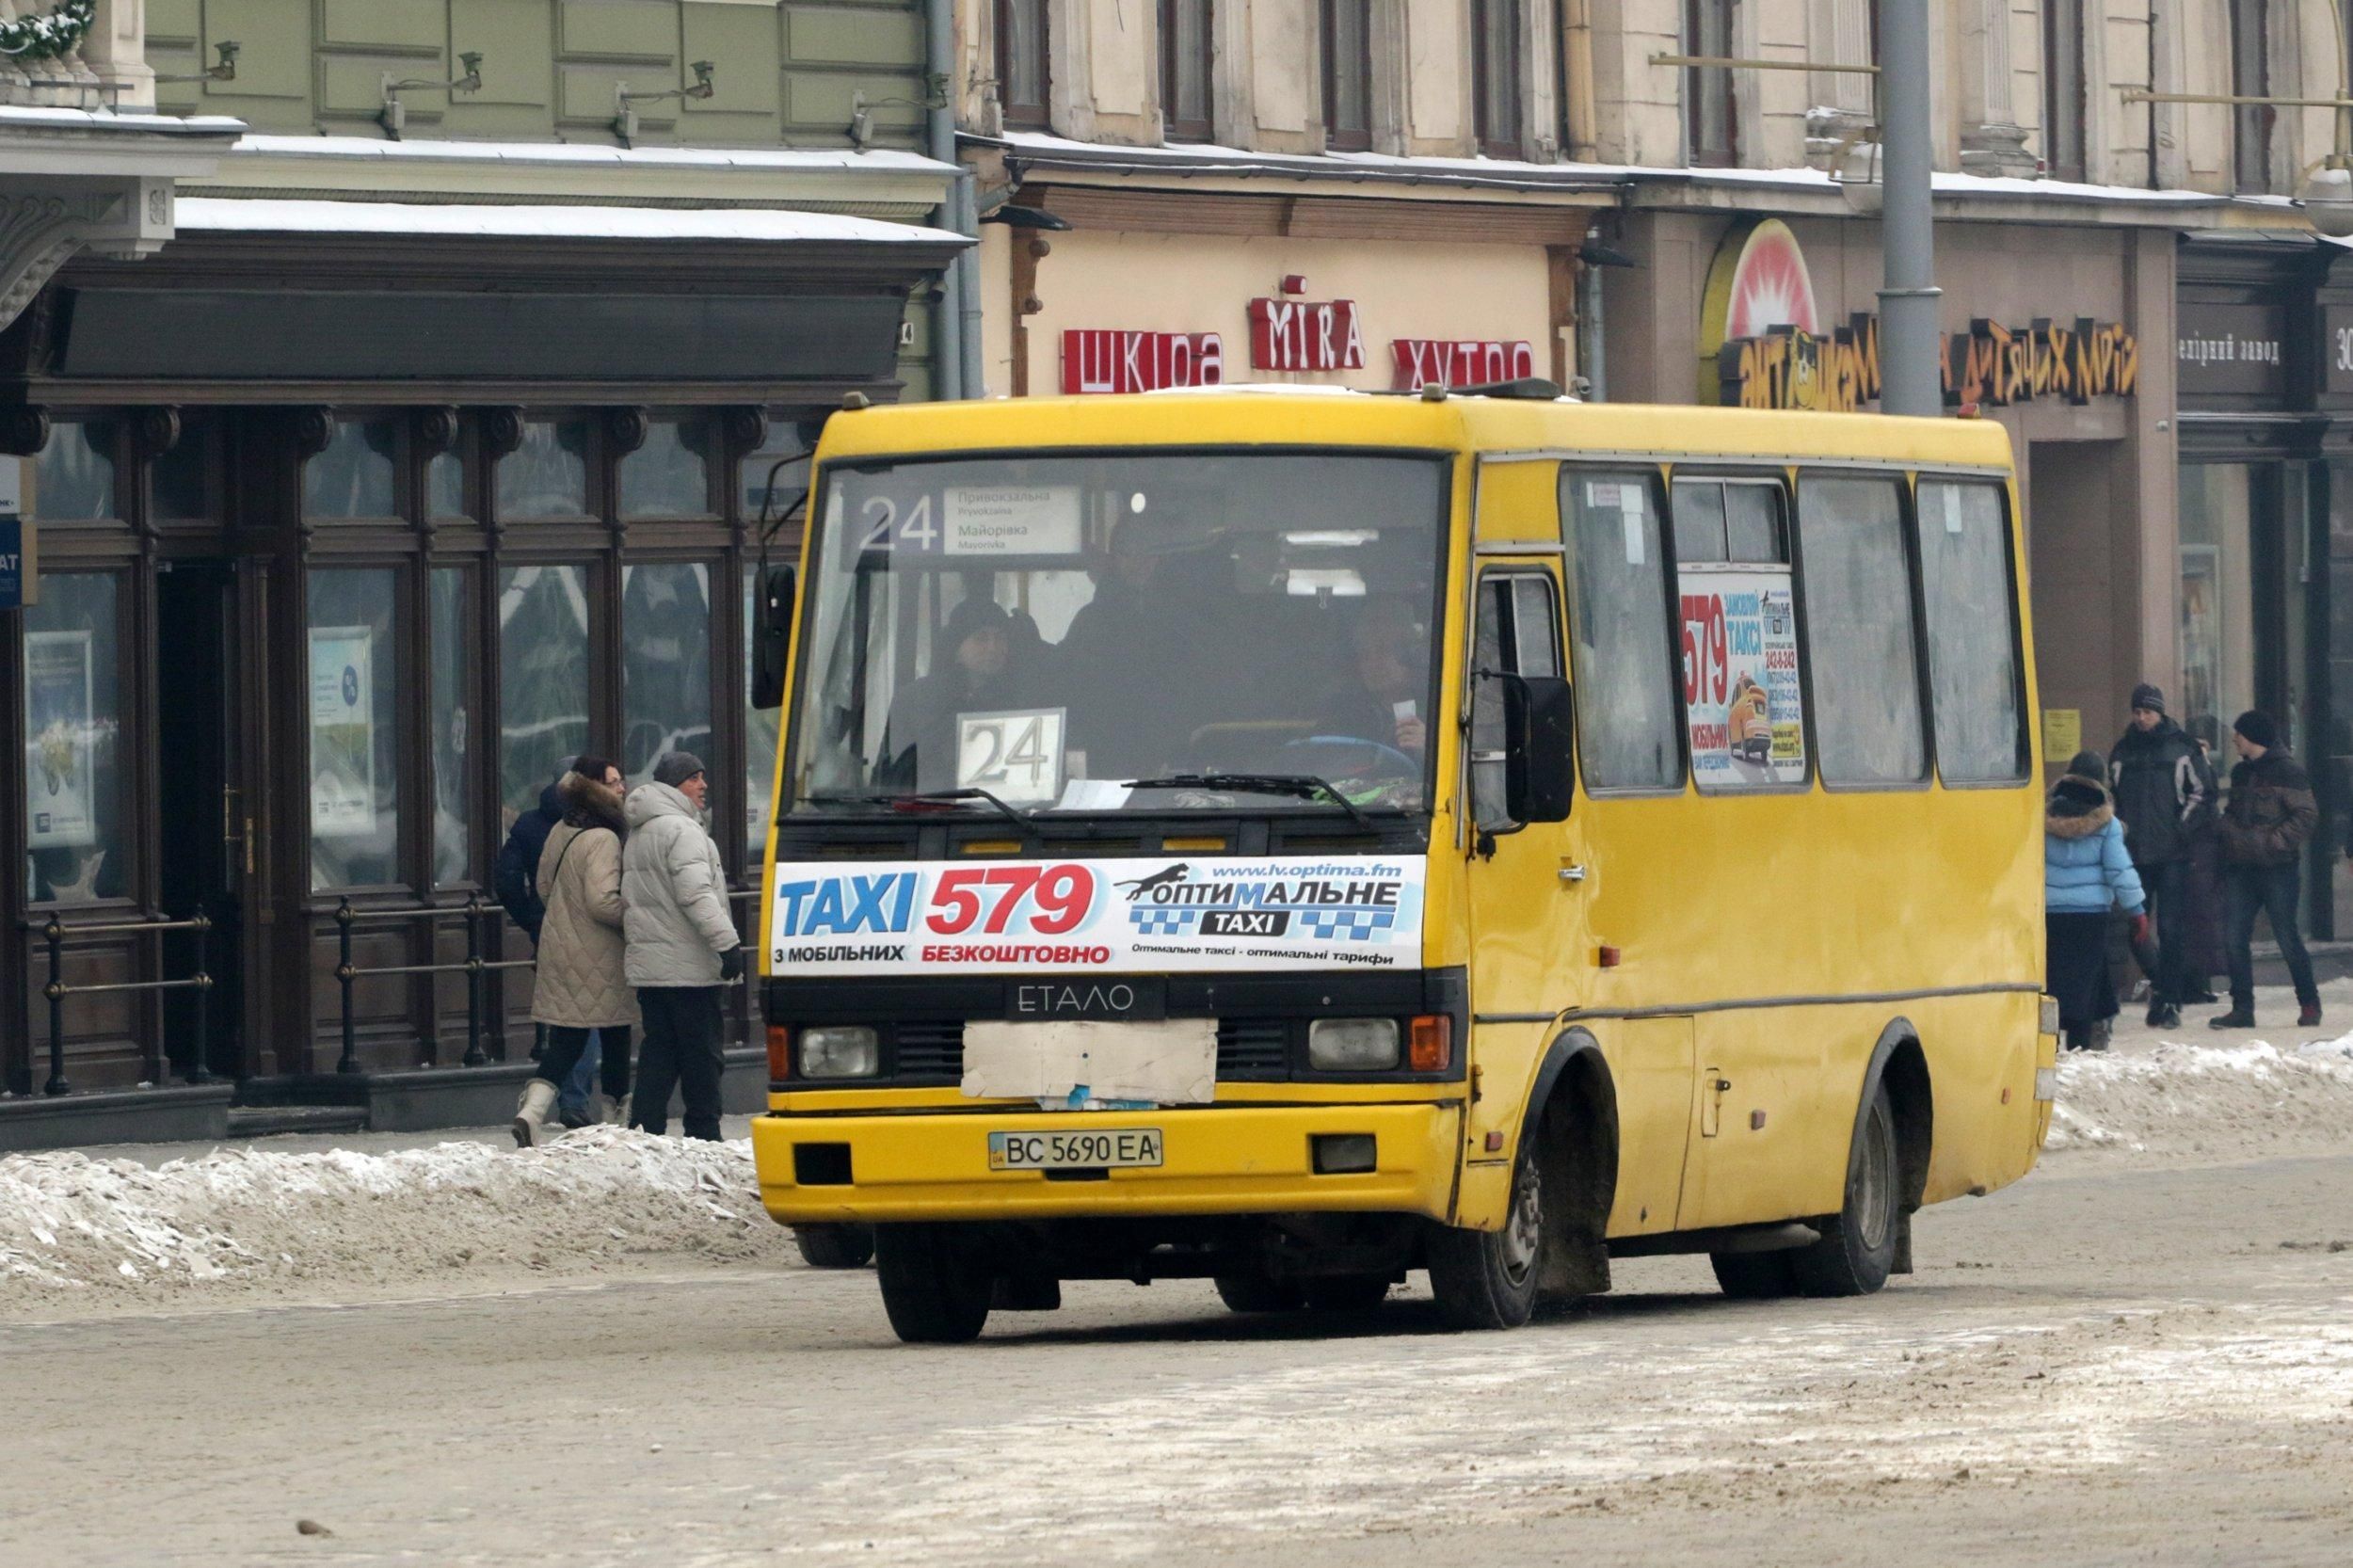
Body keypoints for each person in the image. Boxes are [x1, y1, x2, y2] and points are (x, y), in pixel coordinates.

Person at [512, 757, 637, 1146]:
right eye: (613, 782)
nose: (621, 788)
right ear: (595, 787)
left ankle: (530, 1114)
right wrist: (635, 915)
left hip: (561, 947)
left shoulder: (561, 828)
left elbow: (545, 888)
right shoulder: (603, 837)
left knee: (566, 1040)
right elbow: (602, 901)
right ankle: (616, 1127)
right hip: (600, 954)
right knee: (617, 1036)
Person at [623, 751, 743, 1140]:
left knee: (659, 1052)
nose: (703, 785)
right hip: (689, 968)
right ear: (675, 784)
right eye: (694, 778)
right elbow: (696, 895)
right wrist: (727, 944)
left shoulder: (641, 831)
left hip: (654, 968)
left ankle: (645, 1133)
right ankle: (705, 1135)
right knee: (702, 1056)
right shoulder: (683, 830)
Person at [491, 758, 600, 1125]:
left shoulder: (529, 824)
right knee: (592, 1016)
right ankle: (577, 1100)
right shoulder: (594, 824)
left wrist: (532, 920)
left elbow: (507, 879)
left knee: (564, 1018)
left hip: (550, 931)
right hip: (591, 931)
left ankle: (552, 1102)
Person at [2212, 710, 2321, 1031]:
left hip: (2278, 869)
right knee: (2233, 938)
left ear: (2253, 737)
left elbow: (2306, 815)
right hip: (2241, 870)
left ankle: (2310, 1003)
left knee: (2287, 937)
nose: (2234, 739)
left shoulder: (2289, 772)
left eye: (2239, 734)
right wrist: (2229, 832)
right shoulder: (2240, 773)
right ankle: (2242, 1009)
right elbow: (2232, 811)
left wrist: (2273, 842)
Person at [2107, 684, 2209, 1029]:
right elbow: (2112, 798)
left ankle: (2170, 1000)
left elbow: (2202, 793)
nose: (2141, 718)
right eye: (2137, 712)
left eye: (2147, 712)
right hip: (2135, 853)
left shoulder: (2182, 748)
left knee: (2170, 929)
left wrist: (2180, 830)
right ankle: (2165, 990)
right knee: (2135, 927)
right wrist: (2121, 832)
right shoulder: (2122, 751)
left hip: (2173, 855)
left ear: (2160, 712)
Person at [2044, 750, 2146, 1052]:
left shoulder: (2041, 816)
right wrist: (2137, 910)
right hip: (2091, 916)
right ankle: (2081, 1045)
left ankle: (2047, 1047)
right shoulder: (2107, 823)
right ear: (2102, 781)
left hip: (2050, 914)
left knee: (2053, 980)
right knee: (2084, 984)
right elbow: (2119, 870)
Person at [876, 596, 1016, 790]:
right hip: (931, 814)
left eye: (1000, 638)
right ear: (957, 647)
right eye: (981, 638)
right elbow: (895, 780)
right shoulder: (914, 700)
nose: (993, 648)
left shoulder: (1020, 699)